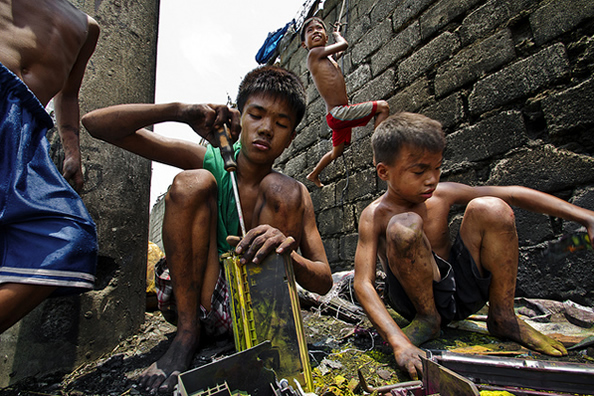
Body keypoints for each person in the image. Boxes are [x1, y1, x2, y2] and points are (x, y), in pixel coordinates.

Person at [82, 65, 333, 393]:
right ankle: (187, 336)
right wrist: (179, 111)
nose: (267, 129)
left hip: (261, 311)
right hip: (198, 298)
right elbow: (95, 125)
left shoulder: (296, 195)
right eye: (256, 115)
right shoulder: (212, 159)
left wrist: (288, 254)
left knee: (282, 187)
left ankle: (270, 339)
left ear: (291, 138)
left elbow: (324, 279)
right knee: (192, 182)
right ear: (239, 119)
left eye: (281, 123)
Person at [353, 112, 594, 380]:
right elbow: (362, 283)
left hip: (462, 294)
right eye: (419, 170)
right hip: (413, 304)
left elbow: (513, 193)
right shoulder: (374, 214)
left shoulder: (442, 195)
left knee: (491, 207)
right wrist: (397, 340)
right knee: (404, 225)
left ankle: (503, 317)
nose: (431, 179)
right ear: (383, 171)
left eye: (437, 168)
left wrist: (588, 217)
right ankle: (428, 320)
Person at [0, 0, 100, 334]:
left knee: (71, 237)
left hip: (27, 128)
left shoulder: (87, 28)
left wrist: (73, 150)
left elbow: (68, 95)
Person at [301, 16, 390, 188]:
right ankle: (378, 153)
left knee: (336, 152)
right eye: (310, 31)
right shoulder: (314, 54)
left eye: (319, 28)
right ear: (304, 44)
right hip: (338, 113)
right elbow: (343, 45)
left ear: (325, 38)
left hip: (336, 116)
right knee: (383, 107)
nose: (316, 31)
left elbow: (338, 52)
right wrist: (337, 35)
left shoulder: (327, 58)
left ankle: (313, 174)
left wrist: (335, 35)